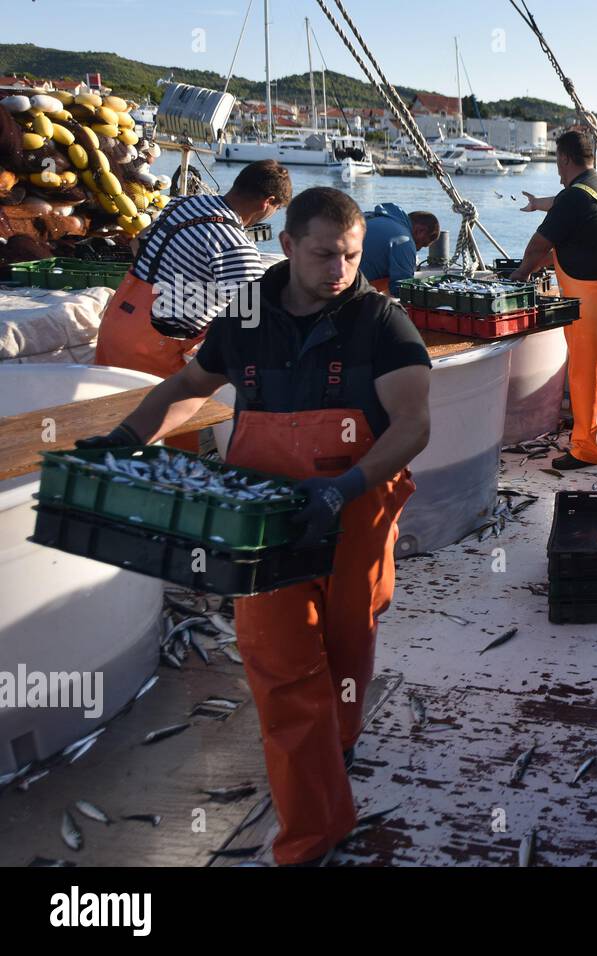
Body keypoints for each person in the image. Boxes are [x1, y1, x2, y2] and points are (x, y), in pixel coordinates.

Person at [78, 186, 433, 866]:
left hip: (355, 511)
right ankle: (311, 834)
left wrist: (346, 486)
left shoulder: (383, 322)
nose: (340, 270)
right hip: (264, 518)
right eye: (325, 254)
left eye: (351, 256)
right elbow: (187, 391)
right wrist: (127, 437)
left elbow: (414, 424)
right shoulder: (244, 312)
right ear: (287, 245)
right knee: (282, 671)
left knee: (348, 643)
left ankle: (341, 741)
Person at [94, 159, 291, 379]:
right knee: (167, 409)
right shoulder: (236, 246)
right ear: (268, 202)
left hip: (117, 322)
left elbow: (137, 242)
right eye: (278, 208)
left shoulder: (182, 203)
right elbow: (253, 321)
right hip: (151, 347)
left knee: (109, 406)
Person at [512, 129, 597, 470]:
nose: (557, 169)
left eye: (557, 162)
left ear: (564, 158)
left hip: (594, 297)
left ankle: (586, 450)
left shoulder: (574, 198)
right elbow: (564, 204)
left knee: (587, 374)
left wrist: (521, 274)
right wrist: (538, 204)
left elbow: (538, 246)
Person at [359, 204, 440, 294]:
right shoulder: (405, 241)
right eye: (422, 244)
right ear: (420, 231)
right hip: (349, 293)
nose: (417, 249)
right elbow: (402, 289)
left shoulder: (373, 217)